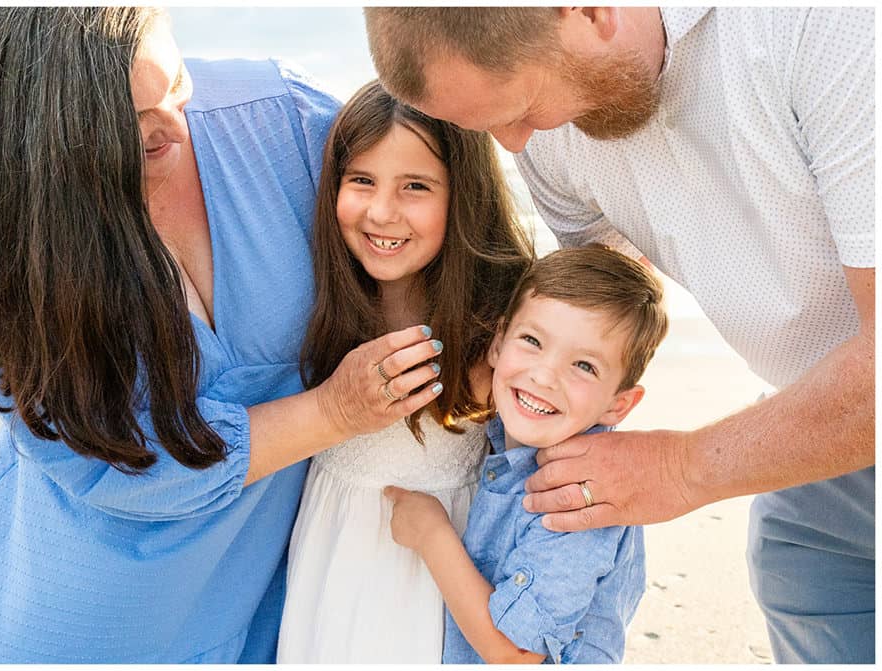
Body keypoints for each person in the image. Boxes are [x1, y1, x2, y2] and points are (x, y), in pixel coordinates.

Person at [0, 8, 446, 664]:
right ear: (38, 135)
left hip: (268, 626)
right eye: (131, 122)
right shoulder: (6, 243)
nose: (175, 126)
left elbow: (442, 241)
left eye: (178, 81)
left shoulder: (286, 121)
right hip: (69, 633)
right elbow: (130, 465)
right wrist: (334, 410)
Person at [363, 6, 875, 664]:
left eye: (519, 106)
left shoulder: (822, 25)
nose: (515, 145)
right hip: (818, 421)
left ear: (590, 11)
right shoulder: (549, 137)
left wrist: (679, 468)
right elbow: (604, 304)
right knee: (797, 567)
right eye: (485, 124)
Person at [276, 80, 532, 663]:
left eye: (415, 186)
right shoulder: (316, 305)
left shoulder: (501, 325)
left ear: (462, 195)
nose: (382, 212)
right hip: (334, 548)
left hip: (451, 557)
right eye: (361, 180)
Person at [386, 247, 668, 664]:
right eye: (532, 341)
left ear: (618, 405)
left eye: (584, 366)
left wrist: (431, 534)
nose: (543, 375)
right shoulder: (506, 438)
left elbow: (515, 652)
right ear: (498, 343)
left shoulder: (577, 496)